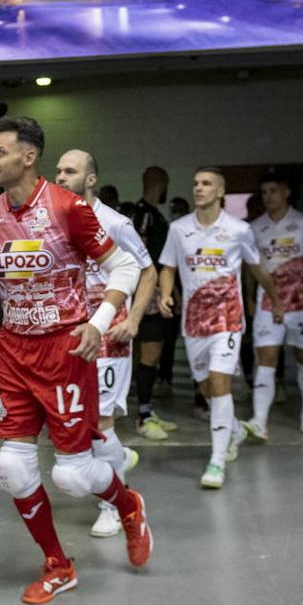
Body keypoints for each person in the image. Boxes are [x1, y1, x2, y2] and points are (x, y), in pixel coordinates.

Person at [0, 116, 151, 604]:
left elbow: (125, 266)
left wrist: (99, 320)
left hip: (64, 351)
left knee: (71, 476)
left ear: (28, 156)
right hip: (15, 352)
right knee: (12, 468)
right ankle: (57, 565)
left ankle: (127, 505)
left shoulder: (68, 208)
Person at [54, 150, 157, 538]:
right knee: (78, 422)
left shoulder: (116, 223)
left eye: (71, 171)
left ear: (91, 179)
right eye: (59, 170)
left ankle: (115, 504)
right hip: (68, 334)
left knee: (101, 421)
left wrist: (132, 319)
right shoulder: (53, 221)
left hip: (110, 333)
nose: (61, 177)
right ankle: (118, 461)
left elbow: (146, 271)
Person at [158, 168, 282, 489]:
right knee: (205, 387)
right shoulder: (178, 229)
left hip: (228, 318)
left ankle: (216, 460)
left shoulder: (239, 230)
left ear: (221, 190)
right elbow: (168, 267)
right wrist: (166, 294)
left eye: (206, 184)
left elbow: (258, 269)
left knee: (219, 381)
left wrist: (275, 301)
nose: (199, 188)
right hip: (194, 320)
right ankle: (235, 430)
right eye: (196, 183)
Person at [244, 173, 303, 438]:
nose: (269, 196)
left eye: (273, 190)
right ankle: (259, 421)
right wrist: (248, 294)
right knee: (266, 359)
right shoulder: (255, 227)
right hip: (267, 304)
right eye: (264, 192)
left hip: (300, 304)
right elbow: (250, 267)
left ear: (286, 191)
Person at [130, 165, 178, 439]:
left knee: (150, 354)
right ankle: (143, 415)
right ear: (162, 184)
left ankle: (146, 411)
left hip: (153, 291)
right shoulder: (146, 217)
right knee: (149, 353)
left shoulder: (147, 215)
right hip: (147, 294)